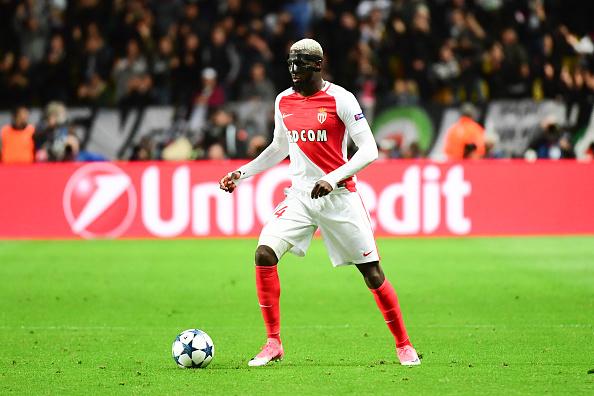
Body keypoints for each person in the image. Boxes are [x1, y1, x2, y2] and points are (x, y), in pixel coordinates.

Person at [219, 38, 420, 367]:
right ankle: (273, 343)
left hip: (338, 197)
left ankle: (403, 344)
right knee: (264, 252)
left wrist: (332, 178)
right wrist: (241, 174)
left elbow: (369, 149)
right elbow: (278, 147)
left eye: (300, 63)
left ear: (317, 65)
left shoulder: (341, 99)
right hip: (300, 196)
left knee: (372, 273)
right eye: (290, 63)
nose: (294, 70)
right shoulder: (283, 101)